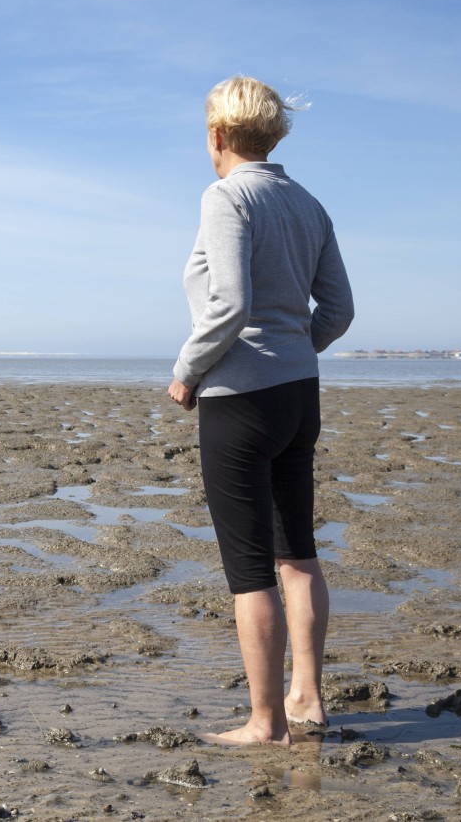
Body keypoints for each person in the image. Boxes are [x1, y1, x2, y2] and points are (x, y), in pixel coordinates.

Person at [168, 75, 354, 746]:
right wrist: (297, 351)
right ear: (273, 134)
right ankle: (308, 699)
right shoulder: (308, 204)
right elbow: (338, 310)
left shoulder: (225, 196)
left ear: (216, 136)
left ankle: (266, 721)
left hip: (240, 400)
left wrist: (187, 372)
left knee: (250, 569)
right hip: (299, 396)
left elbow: (230, 304)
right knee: (297, 553)